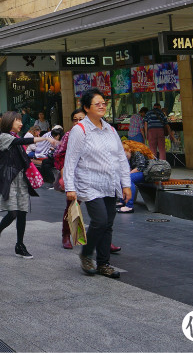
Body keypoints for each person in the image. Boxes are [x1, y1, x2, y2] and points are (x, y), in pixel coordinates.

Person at [64, 89, 131, 279]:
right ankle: (86, 254)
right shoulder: (80, 130)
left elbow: (120, 158)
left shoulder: (110, 129)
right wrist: (70, 187)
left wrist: (126, 184)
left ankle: (103, 263)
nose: (102, 106)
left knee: (108, 224)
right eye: (97, 104)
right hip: (89, 184)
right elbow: (71, 160)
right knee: (100, 220)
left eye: (104, 103)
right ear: (86, 108)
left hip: (109, 184)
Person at [0, 112, 54, 258]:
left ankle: (20, 245)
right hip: (9, 178)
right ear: (9, 122)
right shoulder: (4, 137)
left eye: (20, 120)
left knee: (22, 212)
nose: (20, 123)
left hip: (21, 178)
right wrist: (44, 138)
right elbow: (20, 143)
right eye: (17, 120)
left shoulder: (16, 137)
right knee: (12, 212)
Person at [120, 140, 154, 212]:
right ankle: (122, 201)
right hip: (143, 173)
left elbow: (140, 167)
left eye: (125, 155)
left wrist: (128, 173)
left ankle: (129, 206)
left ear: (129, 150)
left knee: (128, 179)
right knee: (123, 177)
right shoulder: (131, 155)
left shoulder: (137, 153)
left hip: (147, 174)